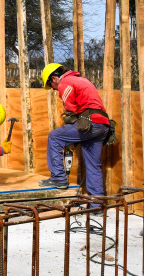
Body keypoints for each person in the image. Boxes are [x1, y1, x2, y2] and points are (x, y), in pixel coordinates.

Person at [38, 63, 112, 198]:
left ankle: (58, 178)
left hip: (90, 123)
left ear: (54, 78)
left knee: (54, 137)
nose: (54, 90)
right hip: (102, 125)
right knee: (93, 165)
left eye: (51, 86)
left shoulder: (65, 83)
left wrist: (70, 129)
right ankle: (97, 203)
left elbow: (72, 110)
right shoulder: (81, 80)